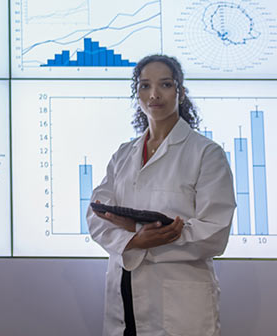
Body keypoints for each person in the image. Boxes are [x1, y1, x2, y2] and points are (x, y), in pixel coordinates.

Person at [86, 54, 236, 336]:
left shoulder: (206, 153)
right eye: (145, 86)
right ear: (137, 94)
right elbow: (96, 216)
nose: (154, 94)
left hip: (179, 305)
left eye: (165, 85)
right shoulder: (123, 154)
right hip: (124, 296)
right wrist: (134, 239)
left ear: (180, 92)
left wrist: (142, 237)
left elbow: (214, 233)